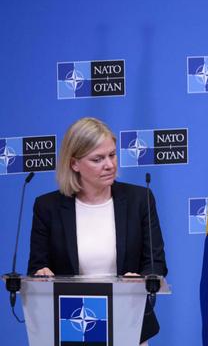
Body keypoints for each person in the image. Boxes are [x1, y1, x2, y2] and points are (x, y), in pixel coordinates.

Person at [27, 117, 168, 345]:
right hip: (71, 324)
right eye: (98, 159)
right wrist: (41, 275)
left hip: (129, 322)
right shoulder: (48, 207)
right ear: (74, 164)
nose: (110, 165)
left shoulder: (139, 200)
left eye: (112, 155)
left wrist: (141, 278)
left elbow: (156, 263)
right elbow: (36, 267)